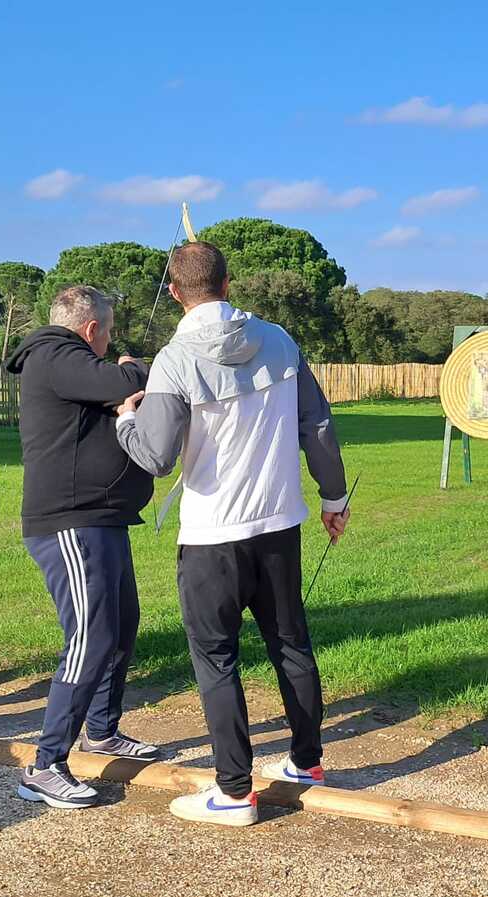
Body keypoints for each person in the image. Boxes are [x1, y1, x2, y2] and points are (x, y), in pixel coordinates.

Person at [116, 241, 349, 827]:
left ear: (175, 292)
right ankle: (306, 761)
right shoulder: (280, 340)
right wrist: (334, 496)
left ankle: (234, 791)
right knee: (290, 641)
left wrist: (125, 419)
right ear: (228, 283)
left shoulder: (173, 357)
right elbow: (316, 423)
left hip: (212, 534)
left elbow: (155, 456)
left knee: (215, 658)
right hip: (279, 524)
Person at [2, 285, 162, 809]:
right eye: (109, 332)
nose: (111, 341)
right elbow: (127, 379)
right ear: (91, 328)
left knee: (120, 625)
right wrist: (133, 366)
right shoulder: (53, 354)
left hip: (102, 518)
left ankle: (101, 731)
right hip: (70, 523)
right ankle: (45, 765)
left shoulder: (66, 364)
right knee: (89, 637)